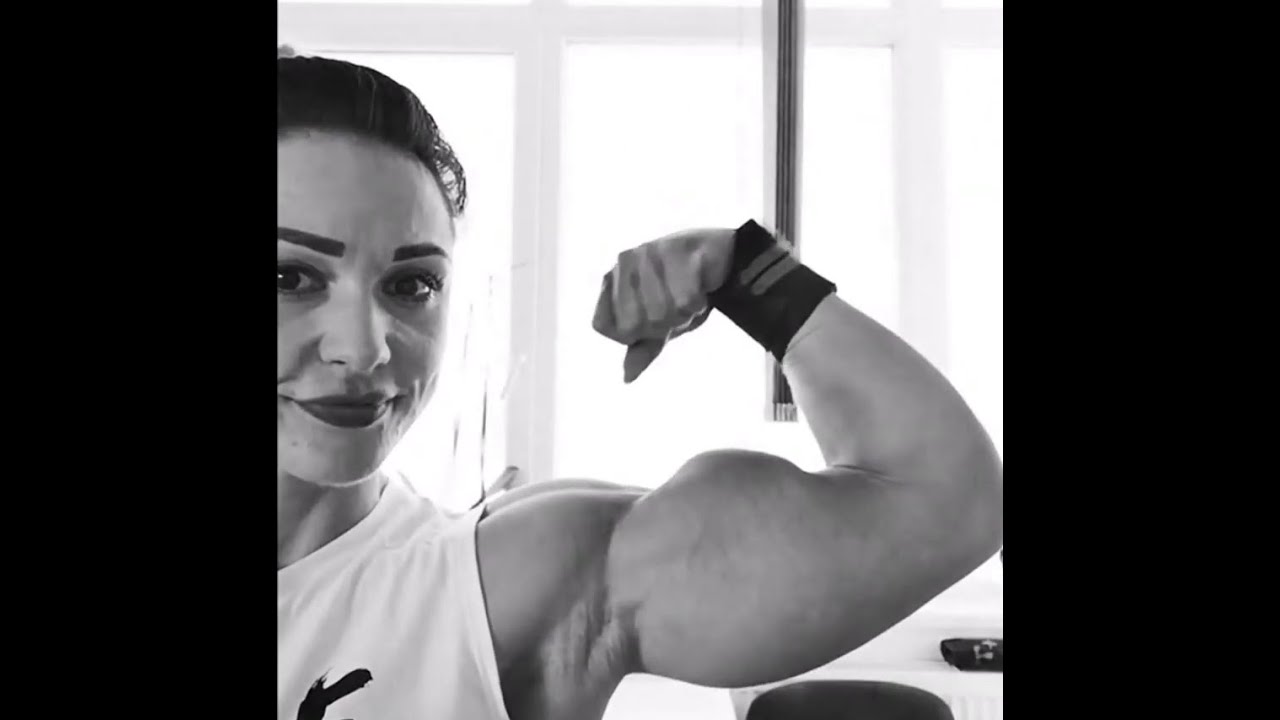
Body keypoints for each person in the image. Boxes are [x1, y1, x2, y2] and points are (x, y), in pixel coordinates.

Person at [277, 53, 1002, 720]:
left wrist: (755, 276)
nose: (363, 349)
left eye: (412, 285)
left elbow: (946, 501)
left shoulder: (506, 586)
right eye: (290, 277)